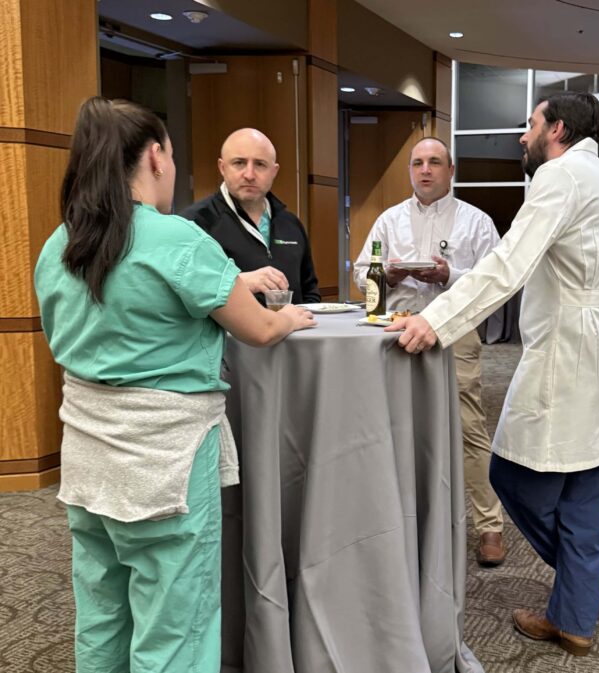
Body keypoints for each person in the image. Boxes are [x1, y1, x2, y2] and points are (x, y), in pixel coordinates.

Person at [34, 98, 316, 673]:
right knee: (175, 623)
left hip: (88, 459)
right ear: (157, 157)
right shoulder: (178, 241)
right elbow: (259, 328)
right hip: (164, 463)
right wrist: (288, 317)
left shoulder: (58, 245)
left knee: (102, 609)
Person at [388, 92, 599, 656]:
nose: (523, 136)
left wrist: (436, 320)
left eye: (530, 124)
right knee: (584, 483)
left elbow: (507, 265)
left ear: (557, 129)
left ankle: (582, 580)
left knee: (512, 476)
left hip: (566, 357)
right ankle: (576, 617)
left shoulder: (562, 176)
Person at [353, 137, 508, 566]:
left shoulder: (476, 222)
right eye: (418, 163)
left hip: (454, 333)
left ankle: (489, 525)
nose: (425, 170)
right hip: (396, 333)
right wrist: (387, 272)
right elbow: (360, 273)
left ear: (450, 170)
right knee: (399, 427)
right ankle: (404, 520)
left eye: (434, 162)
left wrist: (449, 274)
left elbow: (496, 282)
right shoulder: (389, 220)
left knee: (468, 428)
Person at [182, 128, 321, 304]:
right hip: (229, 332)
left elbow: (310, 291)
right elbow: (186, 289)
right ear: (222, 167)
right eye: (239, 163)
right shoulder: (195, 223)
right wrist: (240, 283)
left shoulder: (291, 224)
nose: (249, 175)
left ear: (274, 171)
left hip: (294, 330)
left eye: (260, 164)